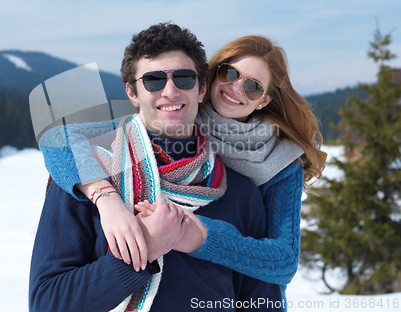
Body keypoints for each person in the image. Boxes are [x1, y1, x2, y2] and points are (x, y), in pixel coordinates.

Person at [29, 23, 284, 311]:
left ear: (201, 89)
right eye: (153, 80)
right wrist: (146, 249)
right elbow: (47, 303)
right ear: (132, 92)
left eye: (184, 79)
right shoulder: (87, 175)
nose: (171, 91)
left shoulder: (239, 192)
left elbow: (262, 303)